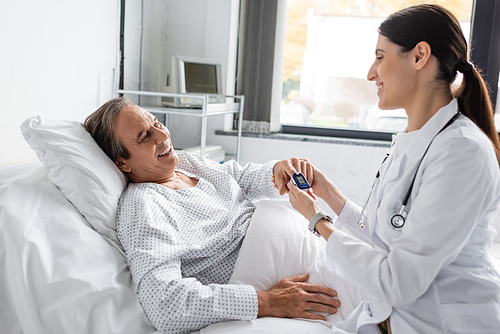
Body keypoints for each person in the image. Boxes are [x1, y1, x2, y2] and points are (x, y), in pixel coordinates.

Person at [276, 4, 500, 334]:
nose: (370, 72)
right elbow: (386, 237)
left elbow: (398, 280)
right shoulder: (413, 140)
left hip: (444, 325)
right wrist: (328, 195)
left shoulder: (461, 153)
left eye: (380, 57)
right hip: (392, 318)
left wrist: (316, 219)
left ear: (420, 56)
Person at [84, 98, 340, 334]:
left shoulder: (184, 162)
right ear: (122, 163)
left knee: (373, 266)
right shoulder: (144, 207)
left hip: (310, 247)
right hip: (292, 278)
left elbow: (236, 178)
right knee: (374, 290)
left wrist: (276, 171)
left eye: (157, 123)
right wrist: (269, 302)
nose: (162, 135)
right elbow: (165, 304)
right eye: (144, 136)